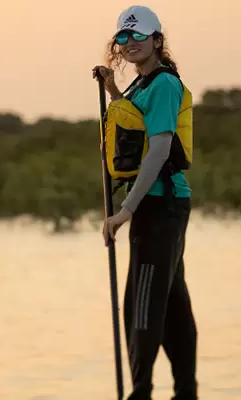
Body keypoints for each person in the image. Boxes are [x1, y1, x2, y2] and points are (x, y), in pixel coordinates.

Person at [92, 5, 198, 400]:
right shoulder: (142, 85)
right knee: (170, 301)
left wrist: (125, 211)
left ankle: (141, 392)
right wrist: (112, 92)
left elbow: (158, 150)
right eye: (124, 37)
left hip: (160, 206)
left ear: (157, 40)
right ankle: (186, 392)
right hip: (157, 206)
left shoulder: (165, 85)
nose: (131, 43)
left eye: (139, 36)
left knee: (142, 303)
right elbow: (135, 124)